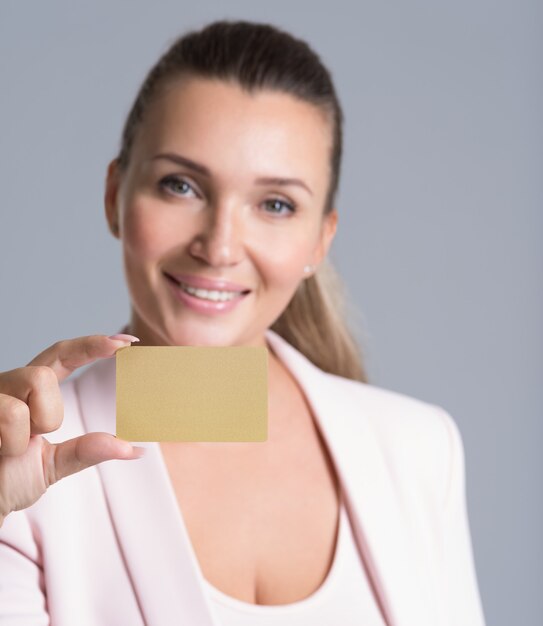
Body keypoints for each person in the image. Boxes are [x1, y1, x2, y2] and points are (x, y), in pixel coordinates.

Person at [0, 19, 486, 626]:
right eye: (181, 186)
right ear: (114, 196)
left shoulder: (418, 449)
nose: (221, 245)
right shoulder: (21, 465)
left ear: (320, 239)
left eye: (275, 204)